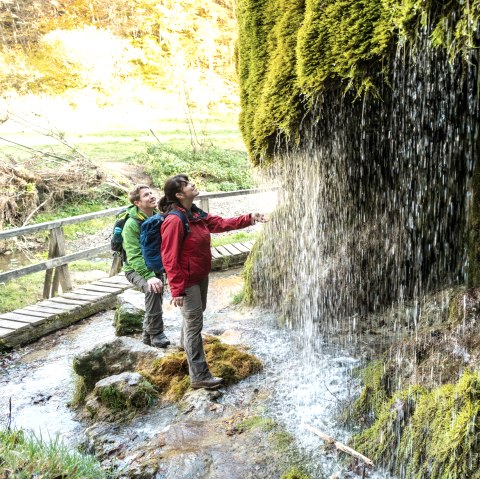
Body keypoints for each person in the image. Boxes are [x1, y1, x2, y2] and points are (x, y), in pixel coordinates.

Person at [159, 174, 267, 389]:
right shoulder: (174, 220)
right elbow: (169, 257)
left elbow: (220, 223)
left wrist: (250, 217)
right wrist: (177, 289)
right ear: (179, 194)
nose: (193, 184)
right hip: (187, 280)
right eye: (188, 184)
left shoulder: (194, 213)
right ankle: (199, 376)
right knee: (194, 325)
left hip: (200, 274)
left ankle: (184, 346)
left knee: (196, 316)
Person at [122, 184, 170, 348]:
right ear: (137, 202)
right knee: (153, 289)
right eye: (146, 195)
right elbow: (134, 256)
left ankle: (146, 338)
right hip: (134, 269)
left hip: (154, 265)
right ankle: (156, 334)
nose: (151, 196)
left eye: (151, 193)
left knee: (155, 293)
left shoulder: (158, 216)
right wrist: (149, 276)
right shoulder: (131, 225)